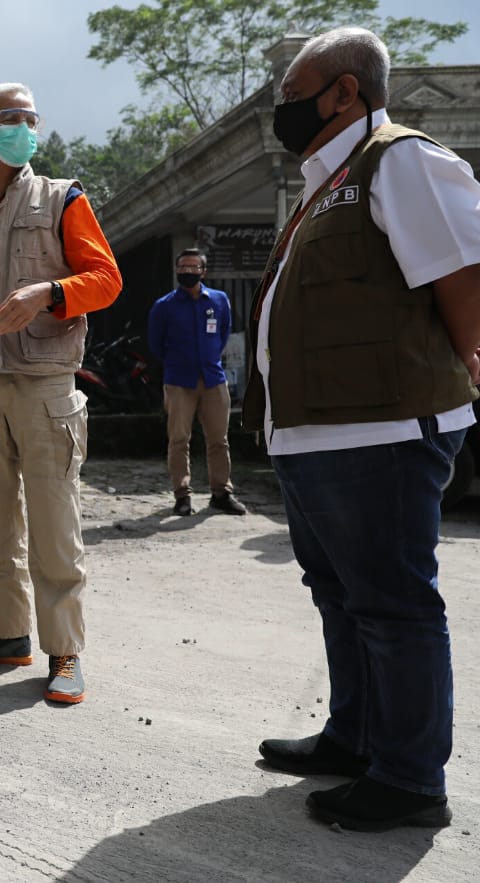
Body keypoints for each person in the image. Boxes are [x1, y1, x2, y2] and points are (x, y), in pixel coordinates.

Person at [245, 27, 480, 832]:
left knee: (392, 604)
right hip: (316, 435)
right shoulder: (323, 182)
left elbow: (465, 281)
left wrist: (451, 372)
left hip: (380, 431)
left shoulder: (398, 158)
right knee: (342, 596)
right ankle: (357, 738)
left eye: (292, 90)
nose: (282, 105)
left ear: (343, 91)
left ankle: (412, 780)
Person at [0, 83, 122, 704]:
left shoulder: (63, 198)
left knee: (54, 519)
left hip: (43, 382)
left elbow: (106, 279)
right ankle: (6, 635)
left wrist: (48, 293)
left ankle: (65, 652)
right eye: (12, 118)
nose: (25, 126)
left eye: (31, 117)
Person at [147, 248, 245, 516]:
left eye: (193, 268)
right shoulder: (164, 306)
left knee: (219, 440)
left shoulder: (218, 300)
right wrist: (181, 362)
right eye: (183, 268)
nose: (188, 272)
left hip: (213, 379)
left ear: (204, 271)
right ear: (177, 270)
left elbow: (223, 334)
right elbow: (156, 344)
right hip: (179, 381)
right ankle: (182, 496)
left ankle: (221, 493)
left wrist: (207, 358)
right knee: (179, 439)